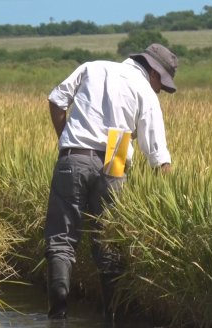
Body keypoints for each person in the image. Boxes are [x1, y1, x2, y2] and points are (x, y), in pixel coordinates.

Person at [43, 43, 178, 321]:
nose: (159, 90)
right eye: (161, 83)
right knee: (108, 242)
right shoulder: (145, 92)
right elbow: (158, 155)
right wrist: (170, 205)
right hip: (115, 157)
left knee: (61, 240)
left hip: (75, 154)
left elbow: (56, 100)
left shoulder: (92, 67)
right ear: (153, 71)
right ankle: (112, 317)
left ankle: (58, 315)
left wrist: (66, 142)